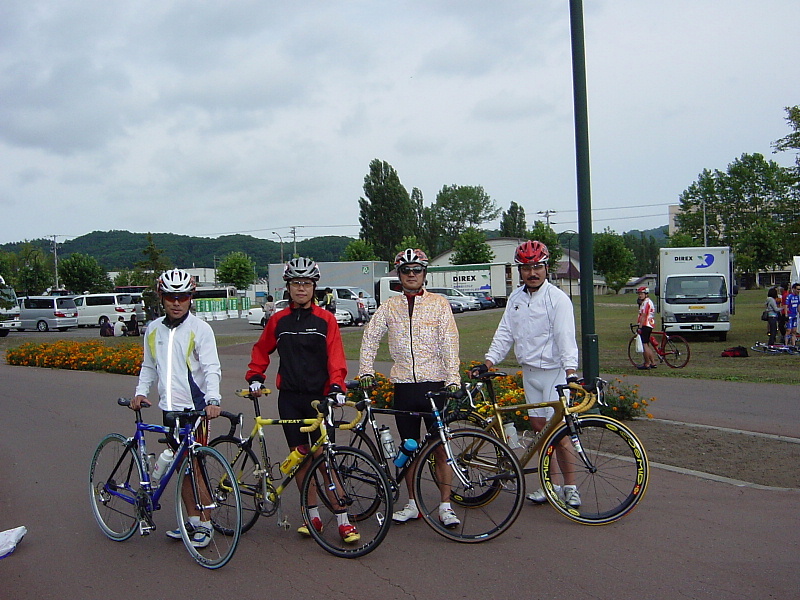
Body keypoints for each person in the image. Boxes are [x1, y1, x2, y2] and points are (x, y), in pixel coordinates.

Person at [245, 258, 359, 543]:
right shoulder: (278, 320)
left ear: (314, 287)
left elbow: (336, 357)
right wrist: (256, 375)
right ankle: (312, 516)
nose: (301, 288)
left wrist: (337, 386)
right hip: (290, 399)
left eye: (306, 283)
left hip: (319, 399)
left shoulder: (325, 320)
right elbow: (261, 349)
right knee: (300, 459)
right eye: (296, 283)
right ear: (288, 287)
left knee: (325, 459)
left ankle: (343, 519)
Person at [470, 240, 582, 507]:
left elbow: (565, 337)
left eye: (537, 267)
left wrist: (571, 372)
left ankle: (571, 487)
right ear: (519, 270)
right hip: (530, 372)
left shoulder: (557, 299)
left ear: (546, 268)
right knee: (540, 431)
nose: (532, 273)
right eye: (527, 268)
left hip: (554, 372)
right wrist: (488, 362)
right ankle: (550, 485)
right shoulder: (516, 299)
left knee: (560, 434)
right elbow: (505, 333)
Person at [358, 248, 462, 527]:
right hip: (404, 385)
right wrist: (366, 370)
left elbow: (449, 341)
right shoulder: (389, 306)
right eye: (406, 271)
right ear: (399, 275)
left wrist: (453, 378)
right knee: (408, 447)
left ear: (424, 273)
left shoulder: (439, 303)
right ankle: (413, 503)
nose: (412, 274)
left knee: (440, 447)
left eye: (417, 270)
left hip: (434, 384)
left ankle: (445, 506)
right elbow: (370, 337)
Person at [130, 269, 223, 549]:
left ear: (190, 298)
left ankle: (205, 523)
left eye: (182, 297)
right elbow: (149, 366)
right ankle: (192, 520)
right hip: (168, 409)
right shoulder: (153, 329)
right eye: (171, 297)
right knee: (180, 467)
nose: (177, 302)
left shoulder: (200, 329)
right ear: (161, 297)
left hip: (195, 410)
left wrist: (213, 399)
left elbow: (211, 367)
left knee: (195, 466)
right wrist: (140, 392)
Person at [636, 286, 658, 369]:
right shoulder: (648, 302)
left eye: (641, 294)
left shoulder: (646, 303)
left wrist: (640, 327)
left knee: (644, 345)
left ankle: (647, 364)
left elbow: (644, 315)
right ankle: (653, 363)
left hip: (645, 325)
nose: (640, 295)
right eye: (639, 294)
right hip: (649, 324)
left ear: (646, 294)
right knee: (647, 345)